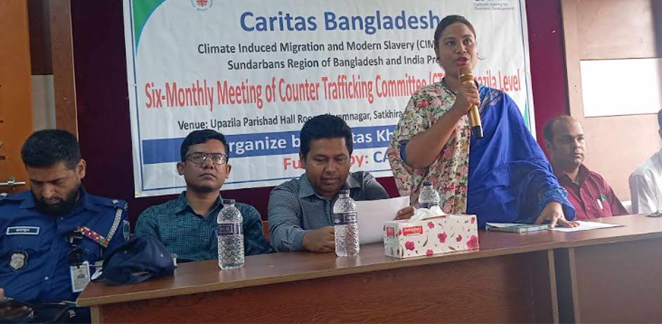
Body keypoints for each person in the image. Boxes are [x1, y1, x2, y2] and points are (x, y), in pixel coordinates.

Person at [388, 14, 577, 228]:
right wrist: (456, 111)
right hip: (443, 224)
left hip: (500, 221)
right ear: (437, 52)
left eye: (467, 41)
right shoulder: (425, 99)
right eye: (450, 43)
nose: (461, 49)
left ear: (476, 49)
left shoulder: (500, 103)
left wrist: (553, 200)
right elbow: (414, 158)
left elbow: (531, 161)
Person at [0, 129, 129, 313]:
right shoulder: (5, 212)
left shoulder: (109, 216)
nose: (47, 194)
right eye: (37, 183)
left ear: (80, 169)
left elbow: (121, 287)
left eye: (57, 182)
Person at [268, 114, 414, 253]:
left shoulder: (364, 185)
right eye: (320, 160)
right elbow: (279, 233)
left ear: (350, 159)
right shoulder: (286, 193)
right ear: (302, 160)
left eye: (339, 159)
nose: (331, 169)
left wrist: (405, 220)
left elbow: (389, 218)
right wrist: (306, 239)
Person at [135, 129, 269, 262]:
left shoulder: (244, 215)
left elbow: (260, 265)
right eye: (198, 157)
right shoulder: (154, 218)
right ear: (181, 168)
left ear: (227, 170)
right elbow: (145, 266)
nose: (208, 164)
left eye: (217, 158)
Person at [544, 115, 627, 219]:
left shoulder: (597, 181)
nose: (576, 145)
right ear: (549, 146)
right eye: (567, 140)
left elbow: (623, 220)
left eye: (580, 139)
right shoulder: (545, 184)